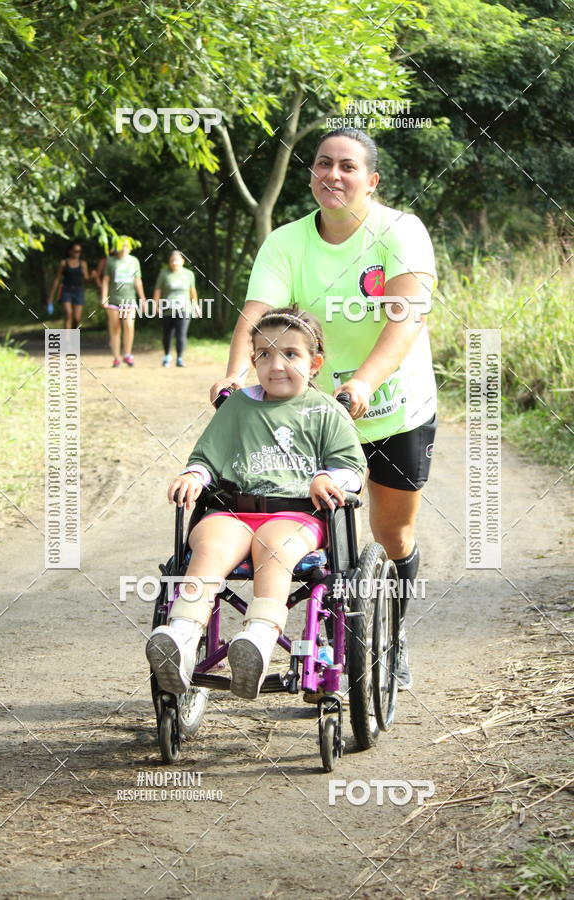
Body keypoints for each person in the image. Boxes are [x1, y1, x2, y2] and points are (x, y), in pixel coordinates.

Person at [210, 128, 438, 691]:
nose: (332, 175)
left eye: (347, 167)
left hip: (392, 407)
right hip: (310, 412)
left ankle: (392, 632)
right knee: (305, 518)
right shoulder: (286, 242)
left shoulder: (399, 232)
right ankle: (315, 630)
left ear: (372, 180)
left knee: (392, 533)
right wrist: (235, 375)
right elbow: (256, 315)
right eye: (322, 165)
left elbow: (406, 317)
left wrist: (362, 382)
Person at [146, 307, 365, 700]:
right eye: (264, 354)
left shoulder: (326, 411)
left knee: (273, 546)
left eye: (290, 354)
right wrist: (193, 476)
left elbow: (352, 468)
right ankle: (181, 634)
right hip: (235, 508)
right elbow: (206, 459)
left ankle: (259, 638)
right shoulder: (238, 406)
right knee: (209, 544)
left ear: (314, 363)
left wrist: (328, 478)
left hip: (297, 513)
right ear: (253, 361)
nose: (275, 364)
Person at [101, 236, 146, 367]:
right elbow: (105, 280)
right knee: (115, 328)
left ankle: (127, 354)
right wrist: (104, 297)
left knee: (129, 326)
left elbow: (138, 281)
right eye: (121, 245)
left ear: (130, 247)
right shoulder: (111, 261)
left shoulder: (134, 261)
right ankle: (116, 357)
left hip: (129, 299)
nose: (124, 248)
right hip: (113, 300)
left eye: (126, 245)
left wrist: (142, 298)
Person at [153, 250, 198, 367]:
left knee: (181, 334)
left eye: (177, 260)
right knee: (167, 334)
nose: (174, 262)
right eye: (172, 260)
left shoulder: (189, 274)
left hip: (184, 309)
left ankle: (179, 358)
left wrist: (195, 305)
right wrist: (155, 305)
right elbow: (158, 290)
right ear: (169, 262)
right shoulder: (164, 274)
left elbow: (192, 291)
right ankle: (167, 356)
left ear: (183, 261)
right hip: (167, 308)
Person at [47, 241, 90, 327]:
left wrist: (93, 276)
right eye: (75, 251)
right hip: (66, 291)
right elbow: (57, 279)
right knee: (68, 314)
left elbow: (86, 278)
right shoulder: (64, 263)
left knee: (76, 319)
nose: (78, 253)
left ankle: (73, 336)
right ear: (70, 251)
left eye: (79, 251)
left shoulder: (83, 264)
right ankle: (67, 340)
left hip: (78, 291)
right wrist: (51, 297)